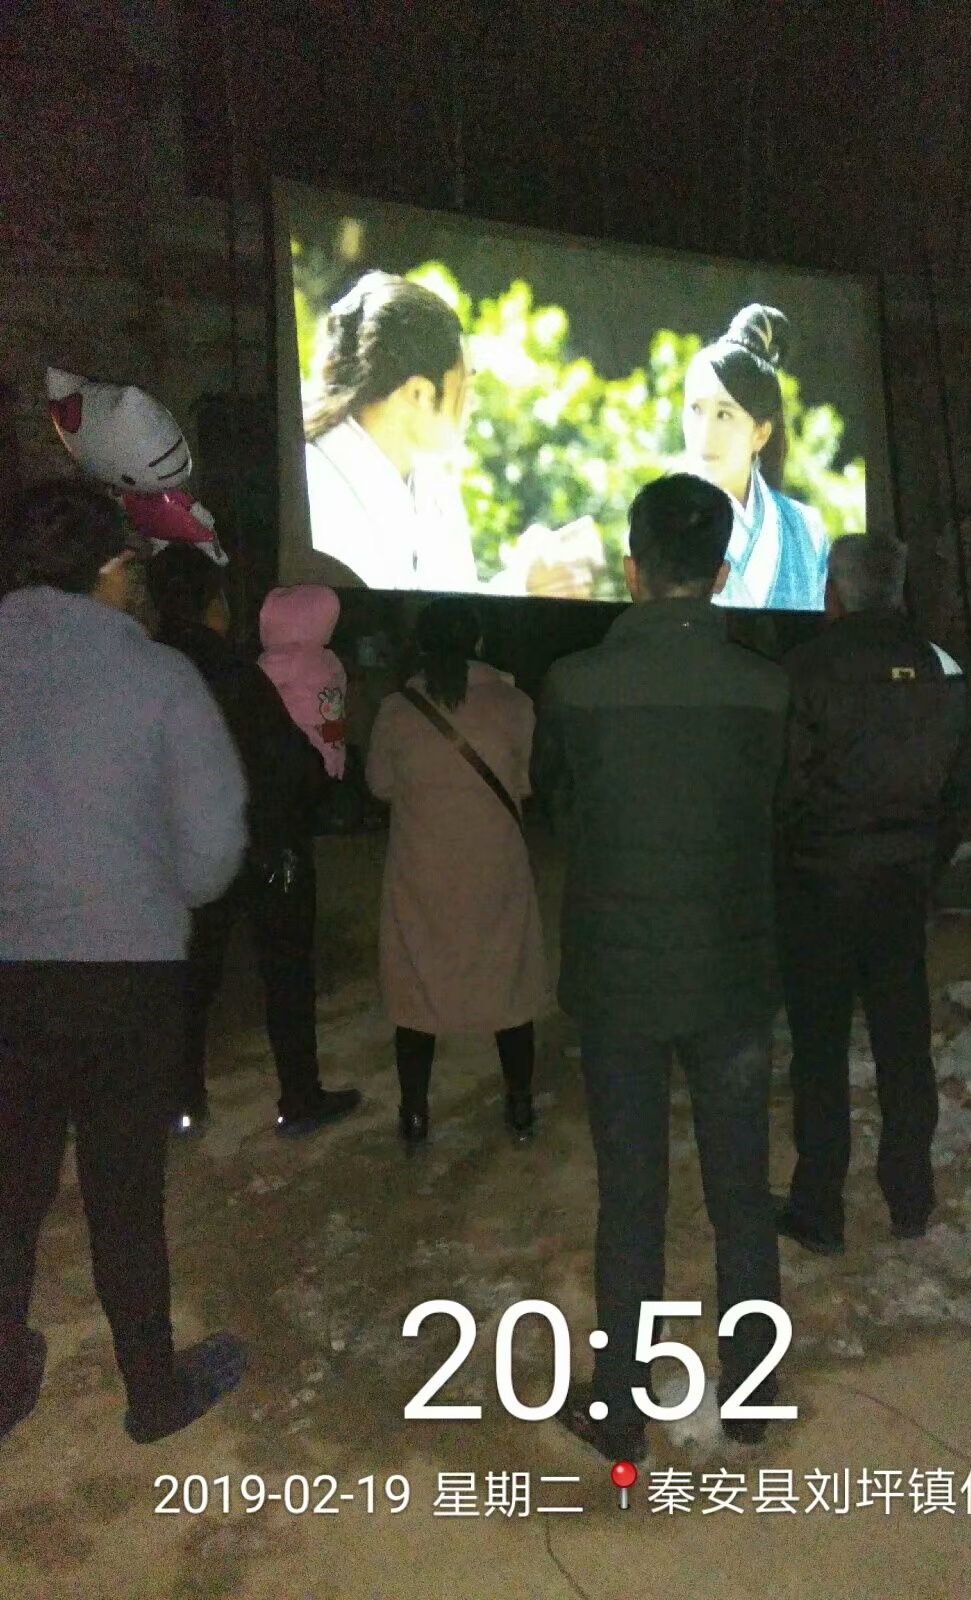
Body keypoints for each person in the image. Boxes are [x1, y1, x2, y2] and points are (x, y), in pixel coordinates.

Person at [533, 473, 789, 1463]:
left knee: (630, 1195)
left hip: (619, 982)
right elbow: (777, 813)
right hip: (732, 977)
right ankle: (753, 1396)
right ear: (722, 573)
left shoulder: (574, 683)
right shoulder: (767, 689)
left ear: (632, 568)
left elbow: (560, 806)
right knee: (741, 1193)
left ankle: (620, 1406)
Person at [0, 481, 248, 1443]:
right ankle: (152, 1389)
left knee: (9, 1189)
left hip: (6, 973)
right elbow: (213, 853)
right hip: (125, 973)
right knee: (124, 1193)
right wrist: (149, 887)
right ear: (110, 569)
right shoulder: (157, 678)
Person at [774, 531, 971, 1256]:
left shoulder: (804, 669)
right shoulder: (943, 667)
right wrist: (923, 858)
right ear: (898, 590)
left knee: (819, 1051)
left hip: (820, 889)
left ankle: (819, 1209)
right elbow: (964, 788)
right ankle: (910, 1199)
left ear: (832, 591)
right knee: (903, 1045)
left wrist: (794, 860)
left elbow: (784, 789)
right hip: (899, 887)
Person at [148, 546, 362, 1137]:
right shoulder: (238, 673)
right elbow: (290, 764)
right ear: (212, 604)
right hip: (264, 848)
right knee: (286, 974)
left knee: (193, 979)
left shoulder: (147, 669)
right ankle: (299, 1098)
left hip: (179, 853)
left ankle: (182, 1101)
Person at [366, 598, 546, 1146]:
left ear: (421, 646)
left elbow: (379, 784)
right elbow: (525, 783)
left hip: (421, 872)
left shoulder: (397, 710)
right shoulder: (515, 704)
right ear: (479, 642)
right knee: (508, 986)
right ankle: (519, 1105)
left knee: (417, 992)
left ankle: (414, 1114)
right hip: (495, 871)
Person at [303, 271, 602, 596]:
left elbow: (453, 605)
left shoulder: (433, 481)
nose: (471, 400)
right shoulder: (312, 484)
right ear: (419, 394)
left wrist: (527, 584)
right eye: (466, 383)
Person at [682, 303, 829, 611]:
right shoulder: (661, 521)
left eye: (724, 414)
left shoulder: (807, 531)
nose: (705, 434)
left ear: (761, 433)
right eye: (695, 410)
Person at [259, 584, 348, 779]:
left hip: (298, 754)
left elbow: (253, 682)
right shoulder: (330, 660)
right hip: (332, 751)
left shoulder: (286, 658)